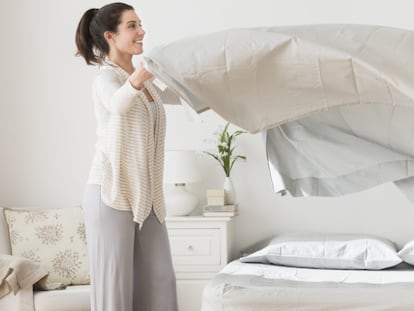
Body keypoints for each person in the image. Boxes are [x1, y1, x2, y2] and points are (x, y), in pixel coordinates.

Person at [75, 3, 180, 311]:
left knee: (161, 280)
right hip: (110, 193)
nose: (141, 31)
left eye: (140, 24)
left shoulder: (144, 78)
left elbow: (184, 96)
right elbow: (118, 104)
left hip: (146, 196)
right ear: (111, 36)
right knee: (115, 287)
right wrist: (139, 76)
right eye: (132, 26)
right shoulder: (106, 79)